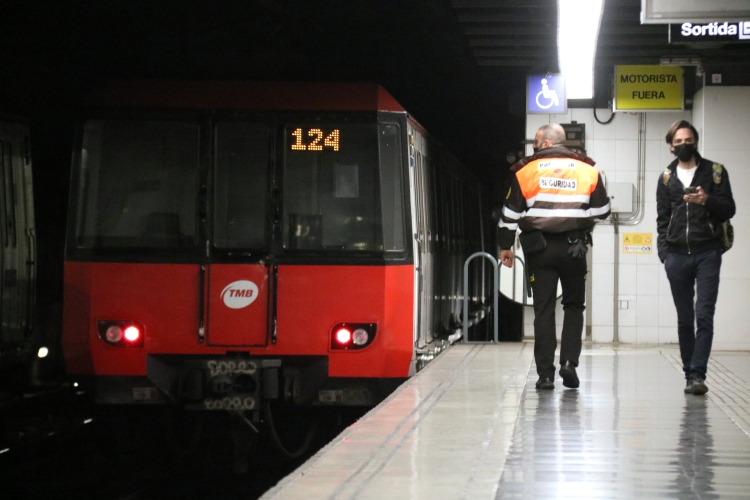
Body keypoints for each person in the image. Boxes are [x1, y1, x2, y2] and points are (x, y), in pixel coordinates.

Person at [498, 124, 610, 390]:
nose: (533, 147)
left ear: (547, 143)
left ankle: (545, 375)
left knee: (544, 310)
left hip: (541, 250)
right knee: (574, 306)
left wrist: (506, 247)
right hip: (575, 249)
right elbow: (604, 211)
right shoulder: (588, 170)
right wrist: (578, 218)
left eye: (536, 142)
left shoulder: (525, 171)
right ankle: (569, 363)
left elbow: (509, 215)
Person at [656, 120, 735, 396]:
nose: (683, 145)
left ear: (696, 141)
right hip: (676, 256)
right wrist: (664, 254)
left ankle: (699, 374)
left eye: (688, 140)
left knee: (704, 315)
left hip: (707, 252)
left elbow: (729, 209)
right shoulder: (666, 177)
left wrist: (707, 200)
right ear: (670, 146)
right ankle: (689, 373)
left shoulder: (714, 172)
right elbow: (662, 219)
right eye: (678, 142)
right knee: (684, 318)